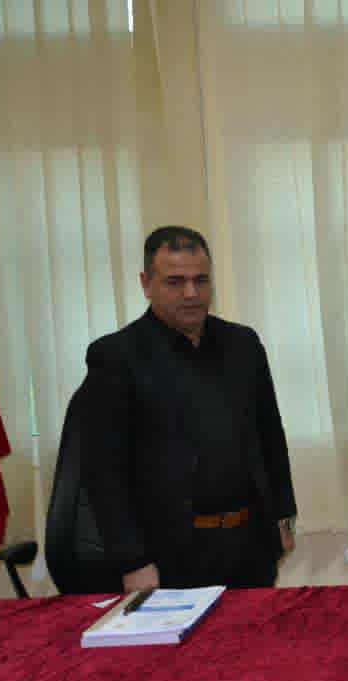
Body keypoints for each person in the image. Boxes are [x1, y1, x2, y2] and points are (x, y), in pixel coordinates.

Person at [80, 226, 297, 591]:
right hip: (169, 557)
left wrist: (283, 516)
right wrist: (132, 561)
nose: (191, 293)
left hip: (250, 546)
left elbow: (269, 435)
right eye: (175, 282)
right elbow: (104, 472)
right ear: (146, 284)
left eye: (201, 280)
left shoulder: (243, 345)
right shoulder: (116, 357)